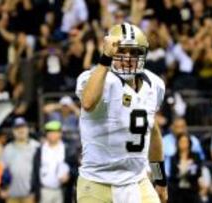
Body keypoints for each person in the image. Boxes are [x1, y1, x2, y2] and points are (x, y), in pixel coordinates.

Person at [75, 23, 167, 203]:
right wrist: (105, 59)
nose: (128, 57)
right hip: (97, 181)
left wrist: (160, 179)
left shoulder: (154, 85)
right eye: (121, 51)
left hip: (137, 181)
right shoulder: (97, 79)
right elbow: (87, 102)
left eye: (134, 53)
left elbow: (153, 132)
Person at [2, 117, 40, 203]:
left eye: (23, 127)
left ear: (27, 129)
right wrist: (3, 188)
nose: (20, 130)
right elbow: (2, 171)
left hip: (30, 195)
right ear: (13, 131)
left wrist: (37, 191)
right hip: (11, 195)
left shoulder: (36, 146)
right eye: (17, 128)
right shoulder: (8, 148)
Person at [32, 121, 71, 203]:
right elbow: (35, 172)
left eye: (55, 132)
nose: (53, 134)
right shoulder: (40, 150)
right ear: (46, 134)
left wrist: (69, 175)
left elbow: (75, 168)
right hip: (44, 191)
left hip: (61, 191)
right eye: (50, 132)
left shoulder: (67, 149)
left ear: (60, 134)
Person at [168, 133, 202, 203]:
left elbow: (198, 172)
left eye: (185, 141)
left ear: (189, 143)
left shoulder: (195, 157)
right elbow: (172, 175)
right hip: (177, 191)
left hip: (192, 189)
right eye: (181, 142)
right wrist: (185, 171)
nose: (183, 144)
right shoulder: (173, 158)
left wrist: (184, 171)